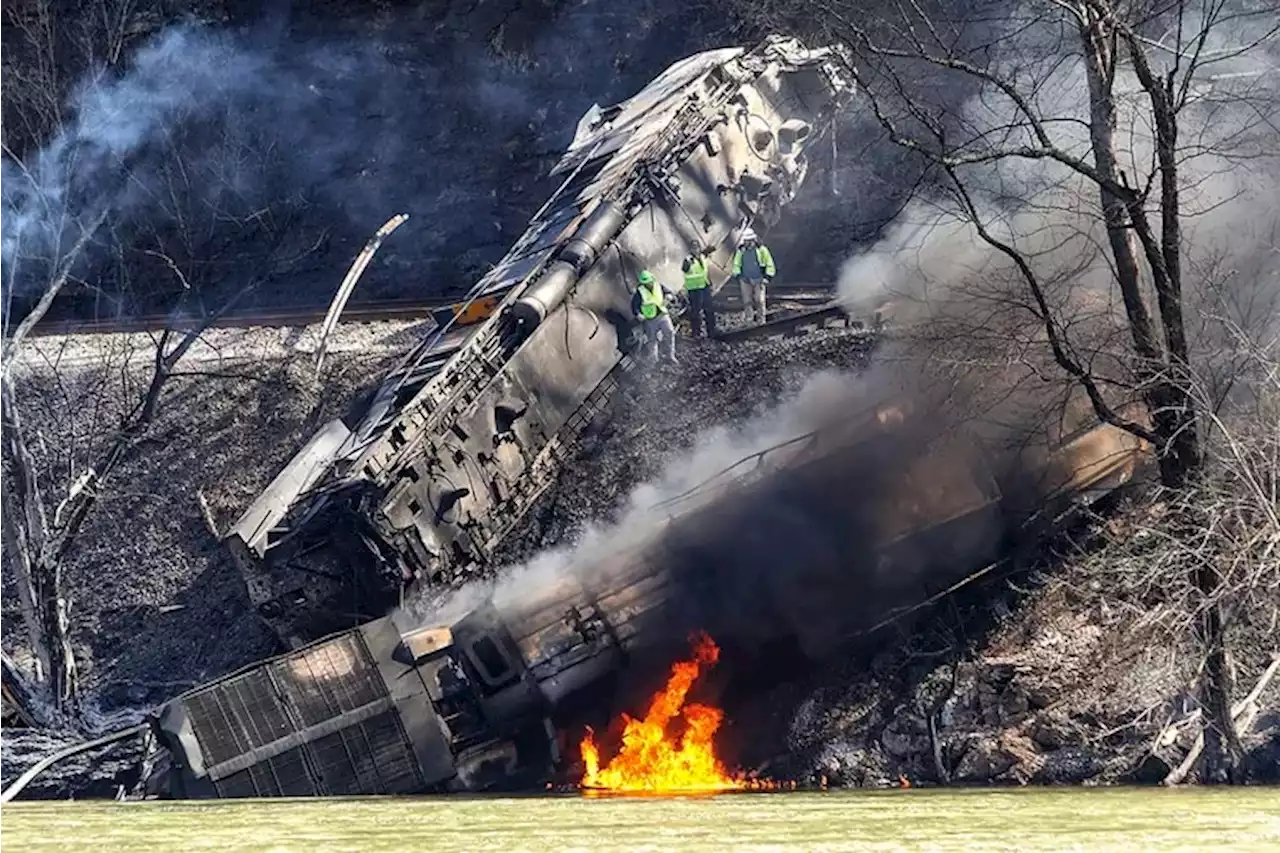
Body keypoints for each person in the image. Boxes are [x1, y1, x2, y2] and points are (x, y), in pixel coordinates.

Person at [630, 269, 678, 364]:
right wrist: (638, 314)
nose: (648, 284)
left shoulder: (658, 286)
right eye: (646, 283)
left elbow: (669, 292)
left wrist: (669, 296)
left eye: (649, 282)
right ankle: (653, 360)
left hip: (662, 314)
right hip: (650, 319)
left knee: (669, 333)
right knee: (652, 340)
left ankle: (670, 355)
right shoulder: (640, 292)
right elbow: (634, 306)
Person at [731, 227, 775, 326]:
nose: (745, 242)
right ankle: (749, 321)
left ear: (752, 240)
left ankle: (761, 321)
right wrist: (738, 276)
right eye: (745, 240)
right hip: (745, 280)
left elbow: (769, 264)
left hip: (759, 279)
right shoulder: (741, 251)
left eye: (747, 240)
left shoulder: (762, 250)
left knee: (760, 301)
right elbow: (736, 264)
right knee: (747, 302)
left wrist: (767, 277)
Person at [681, 245, 717, 338]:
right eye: (693, 248)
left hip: (704, 286)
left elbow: (705, 271)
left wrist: (710, 283)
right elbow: (684, 269)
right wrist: (689, 263)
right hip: (694, 288)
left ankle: (711, 331)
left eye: (697, 248)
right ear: (690, 250)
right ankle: (696, 332)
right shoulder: (688, 260)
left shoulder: (702, 257)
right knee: (696, 311)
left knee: (709, 309)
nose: (696, 250)